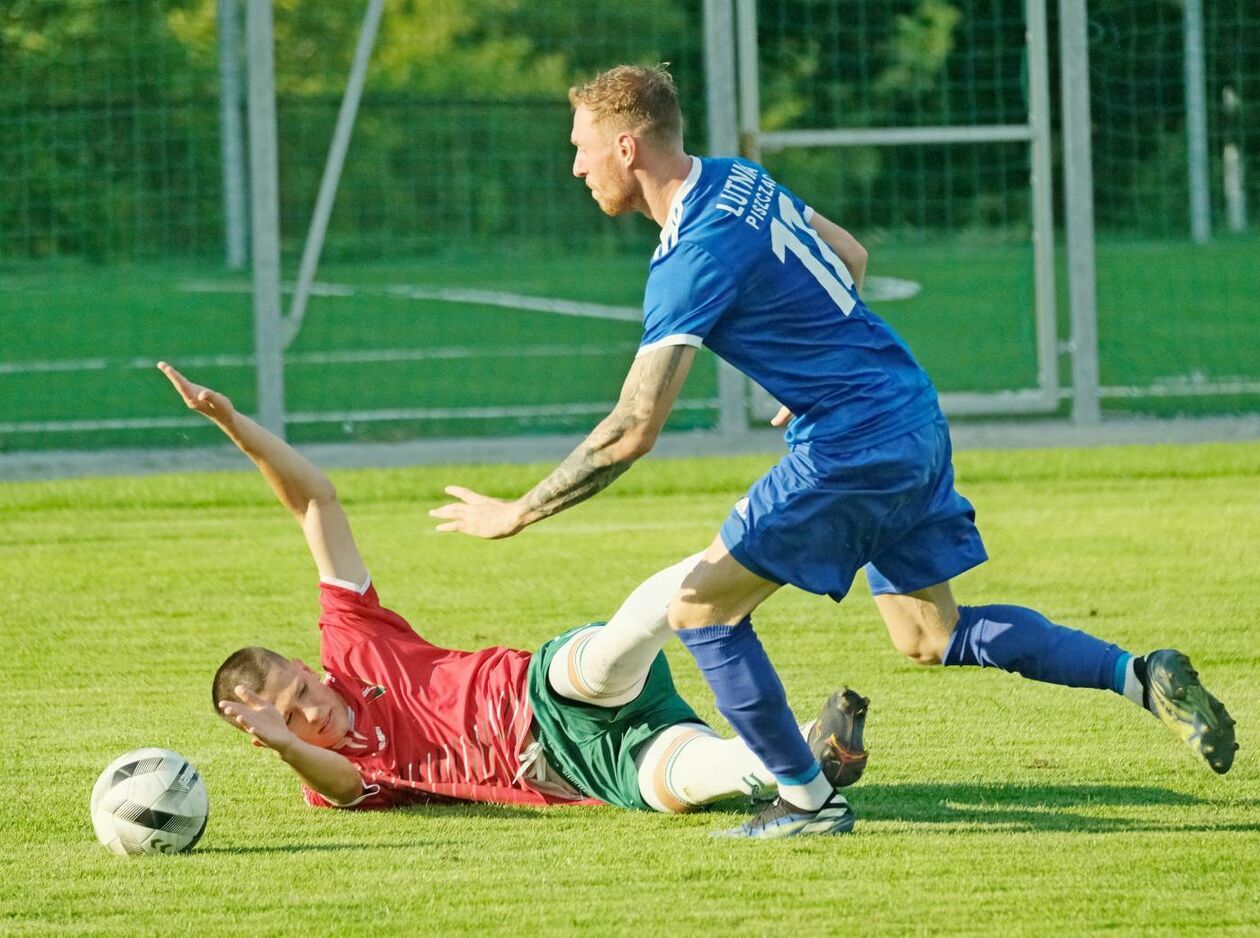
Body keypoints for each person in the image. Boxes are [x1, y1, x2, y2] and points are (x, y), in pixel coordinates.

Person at [428, 65, 1237, 838]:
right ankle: (1139, 672)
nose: (575, 165)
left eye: (580, 146)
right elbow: (850, 254)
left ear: (627, 147)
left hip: (852, 441)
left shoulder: (691, 255)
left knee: (702, 608)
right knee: (928, 636)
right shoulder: (739, 177)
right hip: (911, 411)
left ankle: (807, 800)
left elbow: (632, 429)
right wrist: (809, 362)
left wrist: (519, 511)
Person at [157, 362, 869, 820]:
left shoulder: (351, 641)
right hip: (575, 768)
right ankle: (806, 758)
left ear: (307, 667)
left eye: (303, 687)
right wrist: (288, 745)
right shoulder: (330, 770)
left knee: (596, 661)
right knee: (677, 784)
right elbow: (342, 788)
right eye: (293, 715)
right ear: (270, 736)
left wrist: (235, 427)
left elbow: (315, 503)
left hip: (540, 693)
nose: (315, 706)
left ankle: (775, 542)